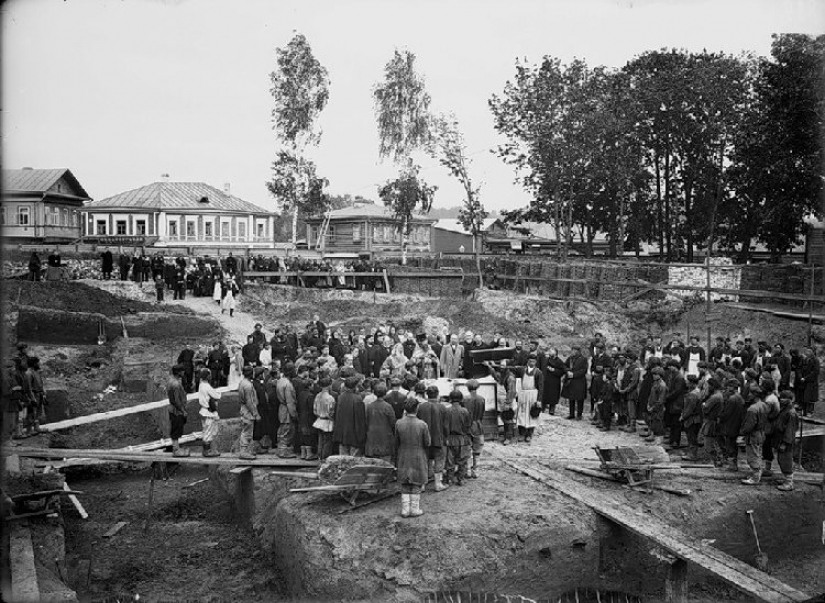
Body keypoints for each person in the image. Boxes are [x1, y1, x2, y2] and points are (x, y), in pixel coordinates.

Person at [395, 397, 430, 518]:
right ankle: (414, 509)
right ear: (417, 408)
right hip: (418, 456)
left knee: (404, 483)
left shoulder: (399, 423)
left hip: (403, 456)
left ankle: (405, 509)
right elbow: (428, 442)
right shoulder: (422, 425)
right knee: (416, 483)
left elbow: (396, 441)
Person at [417, 384, 449, 491]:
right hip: (438, 438)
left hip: (424, 439)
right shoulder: (442, 407)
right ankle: (438, 484)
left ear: (427, 394)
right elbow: (445, 426)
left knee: (424, 460)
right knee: (439, 460)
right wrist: (446, 436)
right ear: (438, 394)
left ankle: (422, 485)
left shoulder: (421, 407)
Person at [740, 386, 768, 485]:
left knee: (752, 455)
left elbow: (749, 426)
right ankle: (757, 474)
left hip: (753, 435)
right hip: (761, 432)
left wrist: (742, 432)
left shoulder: (752, 409)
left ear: (754, 395)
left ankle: (755, 477)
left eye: (750, 393)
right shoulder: (764, 405)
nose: (749, 395)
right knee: (758, 453)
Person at [333, 375, 367, 456]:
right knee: (354, 461)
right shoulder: (357, 399)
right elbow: (360, 420)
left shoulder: (340, 397)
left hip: (342, 434)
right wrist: (361, 437)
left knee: (343, 460)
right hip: (354, 436)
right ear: (355, 386)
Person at [717, 379, 746, 472]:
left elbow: (726, 414)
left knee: (730, 446)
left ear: (732, 387)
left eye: (729, 386)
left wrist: (719, 416)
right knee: (733, 445)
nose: (727, 388)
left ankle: (732, 466)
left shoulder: (732, 399)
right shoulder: (740, 397)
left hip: (730, 425)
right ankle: (733, 464)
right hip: (736, 424)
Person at [444, 390, 471, 486]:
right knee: (462, 460)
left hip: (450, 438)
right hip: (462, 438)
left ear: (450, 399)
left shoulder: (447, 410)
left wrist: (446, 437)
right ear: (461, 399)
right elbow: (468, 426)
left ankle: (449, 479)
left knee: (450, 460)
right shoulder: (465, 411)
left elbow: (445, 426)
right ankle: (461, 479)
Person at [774, 391, 799, 491]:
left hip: (786, 442)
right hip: (781, 439)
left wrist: (785, 443)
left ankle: (789, 482)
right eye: (781, 397)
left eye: (784, 398)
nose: (781, 400)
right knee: (781, 460)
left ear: (790, 400)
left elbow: (790, 430)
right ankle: (786, 479)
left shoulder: (791, 413)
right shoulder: (784, 409)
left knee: (786, 461)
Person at [365, 383, 396, 463]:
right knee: (385, 464)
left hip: (372, 437)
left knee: (373, 464)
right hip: (385, 437)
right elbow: (393, 422)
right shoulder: (388, 406)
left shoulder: (370, 406)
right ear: (385, 393)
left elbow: (367, 420)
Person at [516, 354, 543, 442]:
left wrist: (539, 400)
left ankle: (529, 434)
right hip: (523, 394)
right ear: (528, 361)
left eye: (534, 361)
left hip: (533, 395)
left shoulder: (538, 372)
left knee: (532, 414)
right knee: (521, 413)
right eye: (530, 361)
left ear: (536, 362)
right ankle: (521, 433)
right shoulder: (522, 370)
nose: (532, 362)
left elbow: (541, 387)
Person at [167, 365, 191, 457]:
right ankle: (176, 450)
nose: (184, 373)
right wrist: (183, 411)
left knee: (175, 429)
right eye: (182, 371)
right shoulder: (176, 384)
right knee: (176, 430)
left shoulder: (172, 381)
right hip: (177, 411)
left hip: (173, 409)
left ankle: (176, 448)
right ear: (178, 372)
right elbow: (176, 401)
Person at [197, 368, 222, 457]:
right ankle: (207, 451)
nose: (211, 376)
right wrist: (218, 393)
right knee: (208, 432)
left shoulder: (201, 385)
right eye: (209, 375)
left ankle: (211, 450)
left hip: (204, 411)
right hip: (208, 412)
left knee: (206, 431)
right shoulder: (207, 386)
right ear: (207, 376)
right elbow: (217, 396)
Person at [463, 379, 485, 478]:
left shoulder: (464, 399)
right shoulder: (482, 399)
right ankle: (475, 470)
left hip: (467, 426)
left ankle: (467, 470)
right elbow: (482, 414)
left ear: (467, 388)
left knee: (467, 448)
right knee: (477, 449)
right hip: (478, 425)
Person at [237, 365, 260, 460]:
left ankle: (245, 451)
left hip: (244, 409)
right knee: (247, 432)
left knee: (246, 431)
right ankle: (243, 452)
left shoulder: (243, 382)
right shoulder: (248, 385)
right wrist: (256, 413)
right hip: (247, 411)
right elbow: (249, 401)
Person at [275, 364, 298, 458]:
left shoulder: (280, 381)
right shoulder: (287, 384)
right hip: (287, 410)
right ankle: (283, 452)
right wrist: (294, 414)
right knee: (286, 430)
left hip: (282, 408)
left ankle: (280, 450)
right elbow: (290, 402)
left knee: (282, 430)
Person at [700, 378, 725, 466]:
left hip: (711, 422)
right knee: (712, 442)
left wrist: (703, 403)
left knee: (709, 443)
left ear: (712, 386)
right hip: (713, 421)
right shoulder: (718, 395)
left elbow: (705, 408)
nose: (707, 387)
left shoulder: (715, 397)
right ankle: (715, 460)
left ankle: (712, 461)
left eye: (708, 385)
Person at [680, 374, 703, 460]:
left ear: (692, 383)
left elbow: (689, 409)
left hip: (692, 419)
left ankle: (692, 455)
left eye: (688, 382)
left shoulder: (693, 394)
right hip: (697, 418)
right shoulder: (698, 391)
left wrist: (682, 416)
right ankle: (692, 453)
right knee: (692, 437)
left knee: (691, 437)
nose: (686, 383)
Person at [313, 377, 336, 460]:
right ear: (329, 385)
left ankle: (319, 457)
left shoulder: (317, 396)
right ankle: (325, 459)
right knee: (327, 442)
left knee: (320, 441)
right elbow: (331, 413)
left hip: (319, 420)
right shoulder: (330, 398)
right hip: (327, 422)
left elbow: (314, 411)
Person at [563, 345, 588, 420]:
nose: (572, 351)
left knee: (580, 399)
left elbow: (584, 370)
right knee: (571, 398)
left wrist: (574, 374)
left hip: (579, 381)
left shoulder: (583, 359)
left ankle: (579, 415)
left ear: (578, 351)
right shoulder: (570, 358)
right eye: (572, 350)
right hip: (571, 381)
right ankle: (571, 414)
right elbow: (564, 366)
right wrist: (567, 371)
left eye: (574, 350)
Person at [644, 367, 667, 446]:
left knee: (659, 425)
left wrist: (652, 407)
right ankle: (656, 441)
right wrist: (648, 404)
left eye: (655, 374)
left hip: (658, 409)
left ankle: (659, 443)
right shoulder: (655, 383)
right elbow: (651, 395)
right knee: (653, 424)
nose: (653, 376)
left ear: (660, 375)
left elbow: (660, 401)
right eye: (653, 374)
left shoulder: (662, 385)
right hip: (652, 407)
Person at [543, 348, 566, 415]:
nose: (550, 352)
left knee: (553, 395)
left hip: (554, 381)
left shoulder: (559, 361)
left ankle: (552, 409)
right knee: (544, 394)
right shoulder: (546, 360)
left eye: (551, 351)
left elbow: (562, 371)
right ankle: (543, 408)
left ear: (555, 353)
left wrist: (554, 370)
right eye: (549, 351)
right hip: (546, 379)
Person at [800, 347, 820, 416]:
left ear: (812, 352)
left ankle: (810, 412)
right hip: (804, 381)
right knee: (804, 397)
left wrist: (806, 378)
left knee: (811, 397)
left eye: (809, 351)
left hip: (812, 382)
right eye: (807, 351)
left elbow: (815, 371)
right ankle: (804, 411)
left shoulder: (815, 360)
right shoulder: (805, 359)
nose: (807, 353)